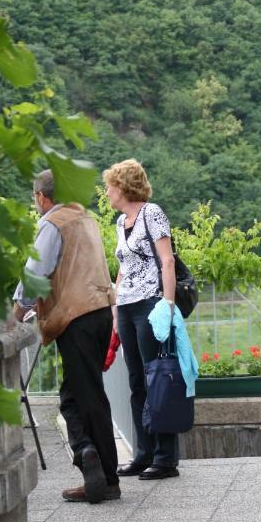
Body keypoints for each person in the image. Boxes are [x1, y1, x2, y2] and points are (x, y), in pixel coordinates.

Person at [13, 169, 119, 504]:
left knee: (78, 398)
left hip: (76, 318)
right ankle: (104, 475)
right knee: (85, 394)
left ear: (41, 197)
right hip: (101, 311)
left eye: (35, 199)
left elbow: (35, 273)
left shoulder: (52, 223)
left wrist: (15, 315)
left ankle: (90, 457)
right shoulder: (85, 217)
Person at [103, 158, 179, 480]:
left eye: (109, 186)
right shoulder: (121, 223)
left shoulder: (152, 213)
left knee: (157, 378)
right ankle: (143, 453)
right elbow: (123, 266)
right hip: (128, 307)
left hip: (150, 305)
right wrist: (115, 306)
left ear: (123, 186)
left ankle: (165, 458)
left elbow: (167, 261)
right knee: (136, 382)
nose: (106, 192)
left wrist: (168, 304)